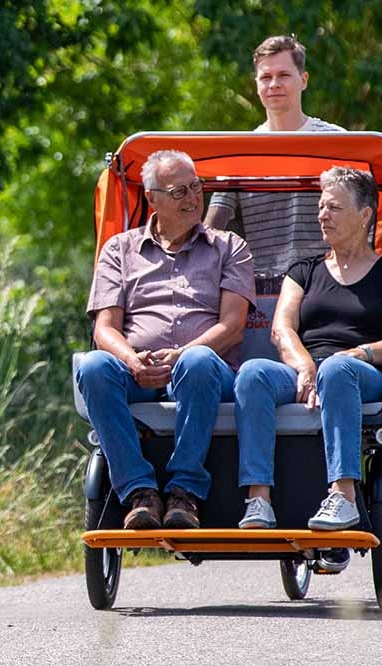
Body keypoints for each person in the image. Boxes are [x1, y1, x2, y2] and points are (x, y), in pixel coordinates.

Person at [232, 167, 382, 573]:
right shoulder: (303, 271)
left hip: (361, 373)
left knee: (337, 369)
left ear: (366, 215)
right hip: (308, 367)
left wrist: (361, 353)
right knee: (253, 374)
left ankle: (345, 495)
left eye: (334, 207)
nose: (322, 215)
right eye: (320, 206)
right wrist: (304, 368)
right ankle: (259, 499)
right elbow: (281, 329)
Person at [76, 150, 256, 530]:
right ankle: (140, 492)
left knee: (198, 361)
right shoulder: (119, 250)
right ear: (152, 198)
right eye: (180, 192)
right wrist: (132, 361)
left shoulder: (229, 247)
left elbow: (233, 325)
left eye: (196, 187)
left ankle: (184, 492)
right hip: (137, 370)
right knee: (92, 366)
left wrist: (181, 354)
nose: (193, 198)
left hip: (204, 372)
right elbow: (104, 329)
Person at [204, 34, 346, 277]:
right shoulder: (242, 151)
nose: (274, 84)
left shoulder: (338, 142)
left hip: (329, 280)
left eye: (284, 75)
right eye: (266, 77)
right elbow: (213, 225)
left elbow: (363, 218)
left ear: (303, 80)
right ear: (256, 85)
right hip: (263, 285)